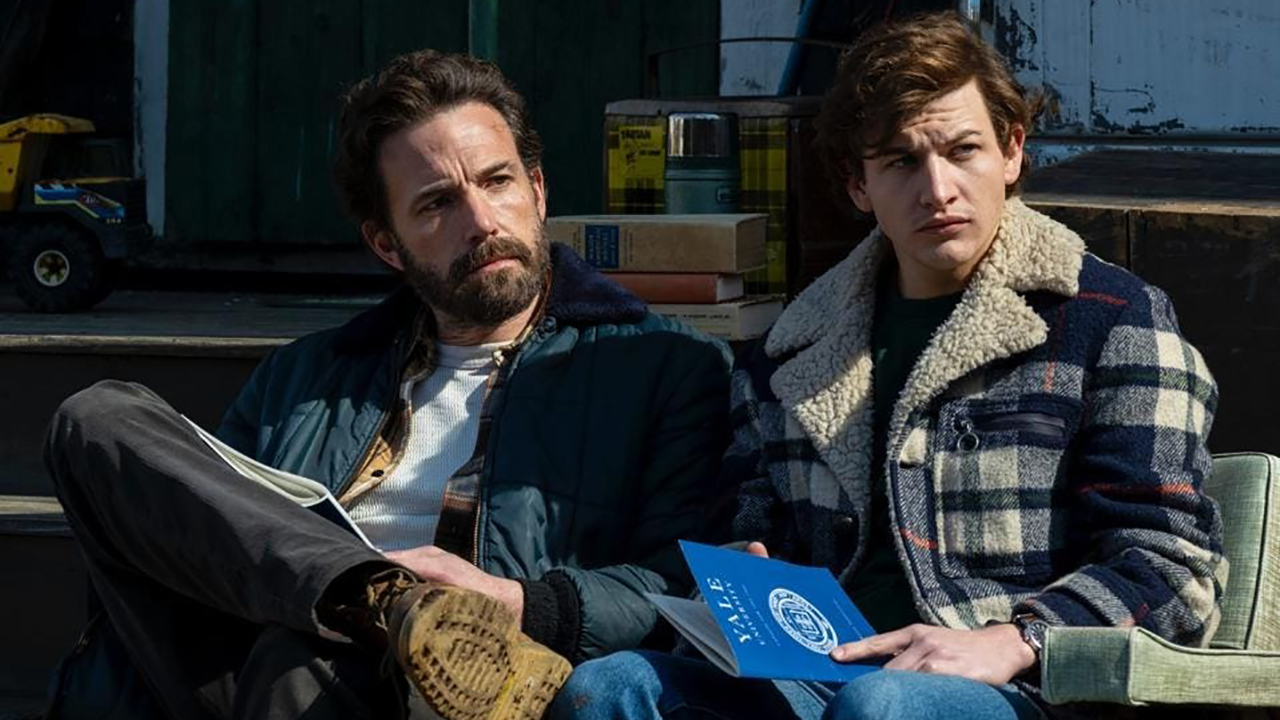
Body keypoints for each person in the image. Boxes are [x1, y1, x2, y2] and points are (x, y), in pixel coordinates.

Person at [550, 11, 1225, 720]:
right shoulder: (790, 351)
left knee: (881, 707)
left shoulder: (1113, 319)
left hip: (1020, 689)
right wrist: (739, 572)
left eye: (963, 150)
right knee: (612, 687)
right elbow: (742, 521)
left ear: (1012, 151)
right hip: (815, 673)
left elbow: (1172, 568)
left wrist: (1023, 637)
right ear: (857, 185)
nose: (937, 190)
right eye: (902, 162)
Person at [43, 50, 731, 720]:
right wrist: (364, 600)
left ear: (538, 188)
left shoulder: (663, 366)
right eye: (436, 204)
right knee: (94, 417)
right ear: (385, 243)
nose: (482, 223)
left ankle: (376, 612)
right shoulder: (304, 376)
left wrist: (514, 602)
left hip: (456, 688)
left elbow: (680, 585)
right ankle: (375, 596)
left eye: (497, 182)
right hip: (250, 654)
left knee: (297, 666)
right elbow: (215, 539)